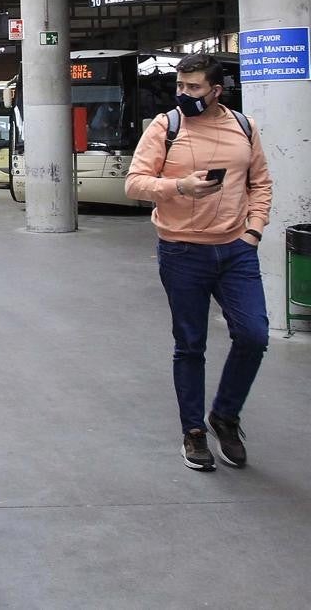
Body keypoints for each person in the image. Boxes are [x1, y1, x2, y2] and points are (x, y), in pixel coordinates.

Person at [124, 53, 273, 472]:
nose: (184, 95)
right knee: (191, 345)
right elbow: (135, 183)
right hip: (182, 251)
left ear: (216, 91)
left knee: (254, 335)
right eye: (180, 87)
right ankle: (193, 433)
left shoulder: (244, 127)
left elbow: (260, 182)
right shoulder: (165, 126)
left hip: (236, 250)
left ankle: (225, 415)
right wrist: (179, 187)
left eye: (193, 88)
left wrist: (254, 230)